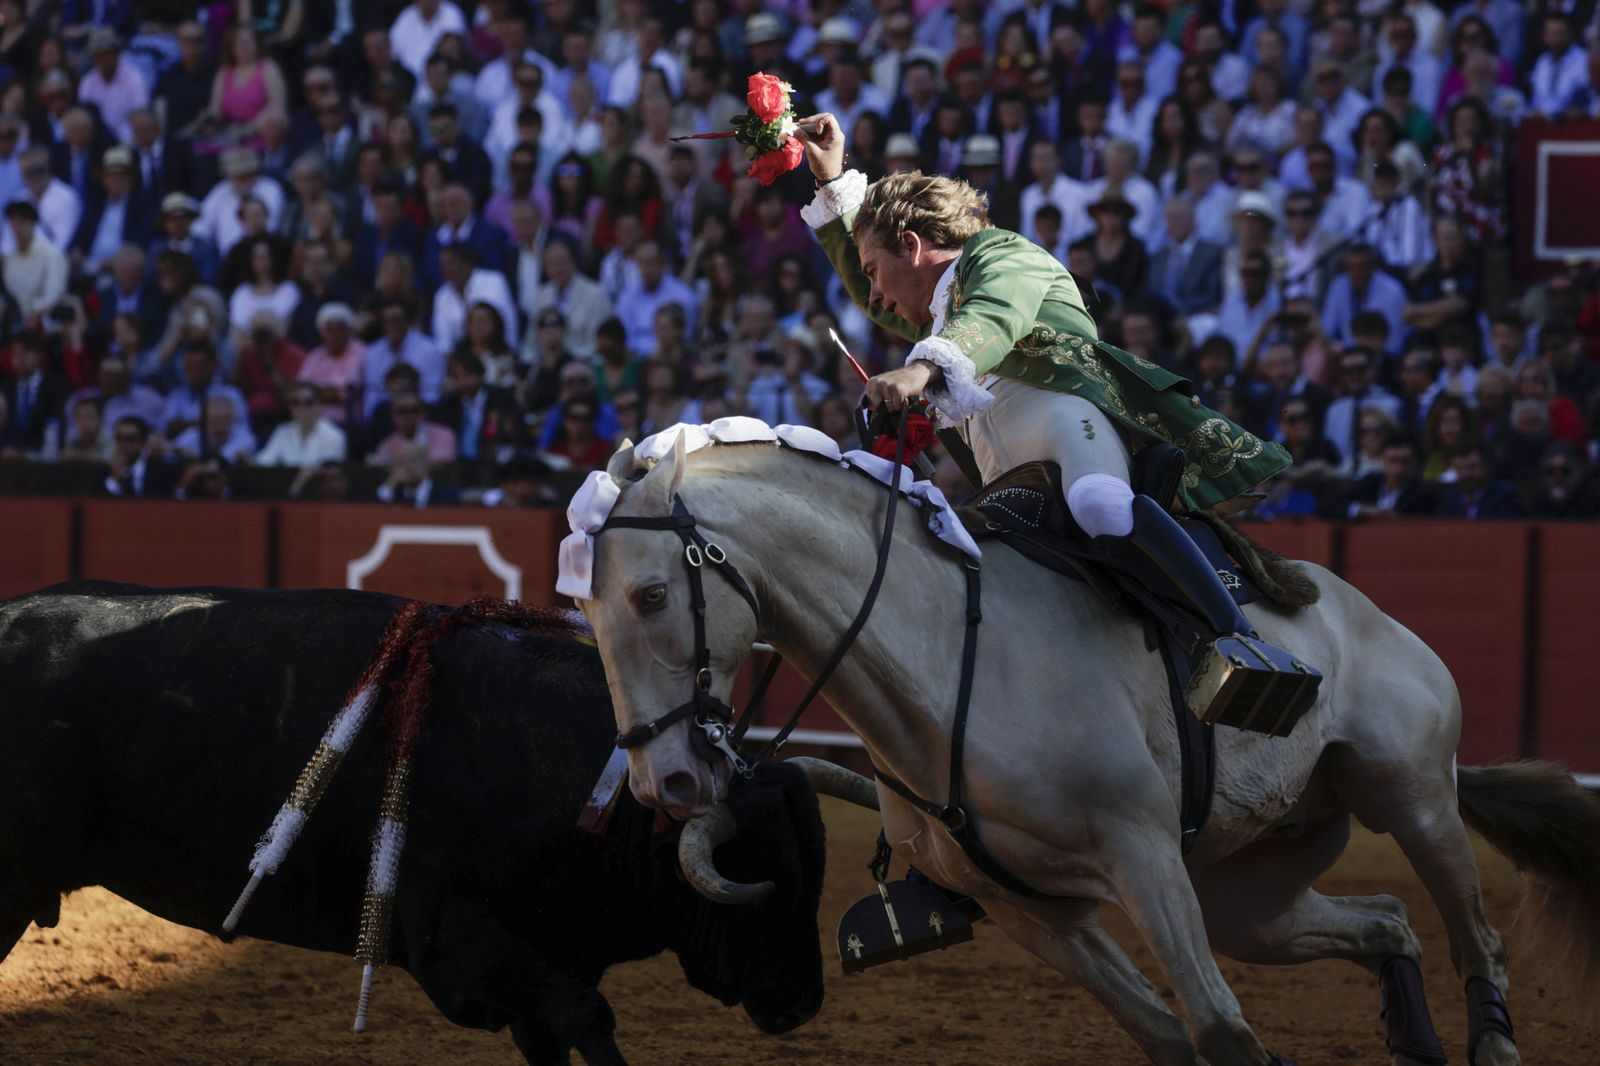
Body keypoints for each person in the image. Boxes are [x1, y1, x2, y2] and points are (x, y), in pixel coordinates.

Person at [794, 111, 1317, 726]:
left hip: (1067, 429)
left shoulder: (1003, 255)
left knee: (1100, 503)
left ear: (912, 246)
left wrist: (918, 373)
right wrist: (833, 180)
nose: (873, 297)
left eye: (878, 273)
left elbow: (991, 315)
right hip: (1007, 467)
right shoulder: (935, 312)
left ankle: (1240, 643)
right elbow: (879, 282)